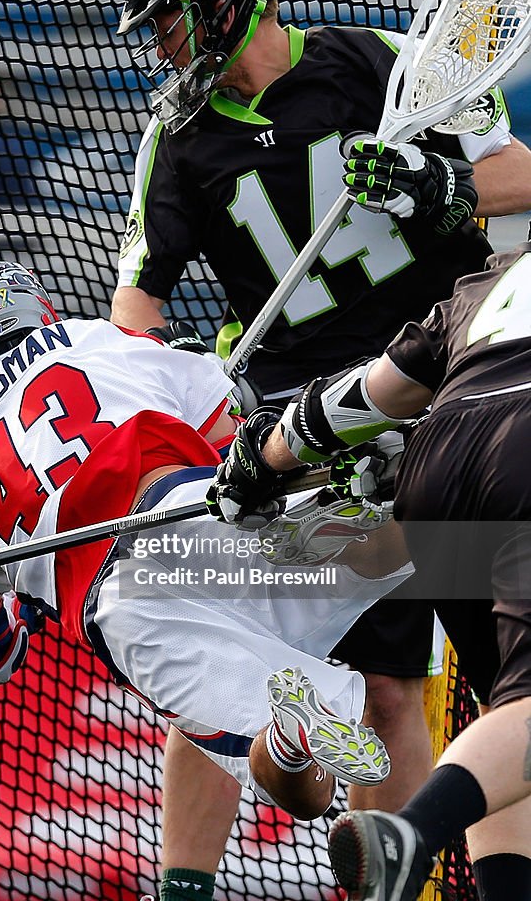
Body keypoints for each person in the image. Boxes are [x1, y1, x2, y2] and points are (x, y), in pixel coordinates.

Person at [110, 0, 531, 899]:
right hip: (292, 437)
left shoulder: (372, 63)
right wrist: (153, 398)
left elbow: (515, 177)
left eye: (168, 22)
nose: (163, 49)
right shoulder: (174, 139)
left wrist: (436, 186)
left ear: (220, 4)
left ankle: (397, 883)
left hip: (426, 403)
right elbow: (134, 309)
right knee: (225, 663)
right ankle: (184, 890)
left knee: (402, 686)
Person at [0, 257, 420, 831]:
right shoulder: (99, 337)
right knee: (422, 543)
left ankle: (287, 736)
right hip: (188, 510)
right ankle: (376, 476)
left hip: (123, 610)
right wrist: (188, 361)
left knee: (303, 792)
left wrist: (22, 602)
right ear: (33, 305)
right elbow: (232, 431)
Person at [207, 242, 531, 900]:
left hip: (439, 469)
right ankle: (407, 835)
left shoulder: (500, 276)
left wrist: (262, 459)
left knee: (513, 715)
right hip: (522, 455)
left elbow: (367, 394)